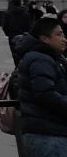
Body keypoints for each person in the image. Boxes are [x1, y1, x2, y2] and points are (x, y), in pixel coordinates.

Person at [16, 16, 67, 155]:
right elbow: (45, 93)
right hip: (48, 134)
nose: (64, 39)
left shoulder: (48, 57)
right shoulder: (40, 59)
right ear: (45, 39)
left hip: (49, 132)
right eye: (59, 34)